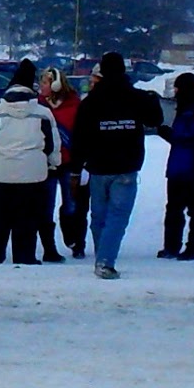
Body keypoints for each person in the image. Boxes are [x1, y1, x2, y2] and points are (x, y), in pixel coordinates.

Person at [72, 51, 163, 279]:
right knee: (118, 216)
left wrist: (76, 166)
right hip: (126, 165)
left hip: (98, 166)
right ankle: (105, 260)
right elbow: (155, 120)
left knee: (99, 216)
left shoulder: (91, 102)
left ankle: (102, 255)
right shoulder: (136, 97)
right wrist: (153, 101)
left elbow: (79, 136)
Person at [0, 59, 61, 265]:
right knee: (27, 220)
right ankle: (25, 256)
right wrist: (52, 164)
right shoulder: (43, 113)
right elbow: (52, 145)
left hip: (0, 173)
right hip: (33, 175)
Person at [156, 72, 194, 259]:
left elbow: (190, 138)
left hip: (191, 167)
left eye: (178, 88)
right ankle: (171, 246)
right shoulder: (187, 108)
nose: (175, 92)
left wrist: (168, 134)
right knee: (174, 208)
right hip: (178, 166)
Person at [39, 66, 86, 258]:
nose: (41, 86)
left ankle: (75, 241)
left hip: (69, 163)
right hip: (47, 164)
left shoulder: (75, 105)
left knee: (72, 205)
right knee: (46, 207)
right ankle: (49, 248)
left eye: (45, 82)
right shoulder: (39, 106)